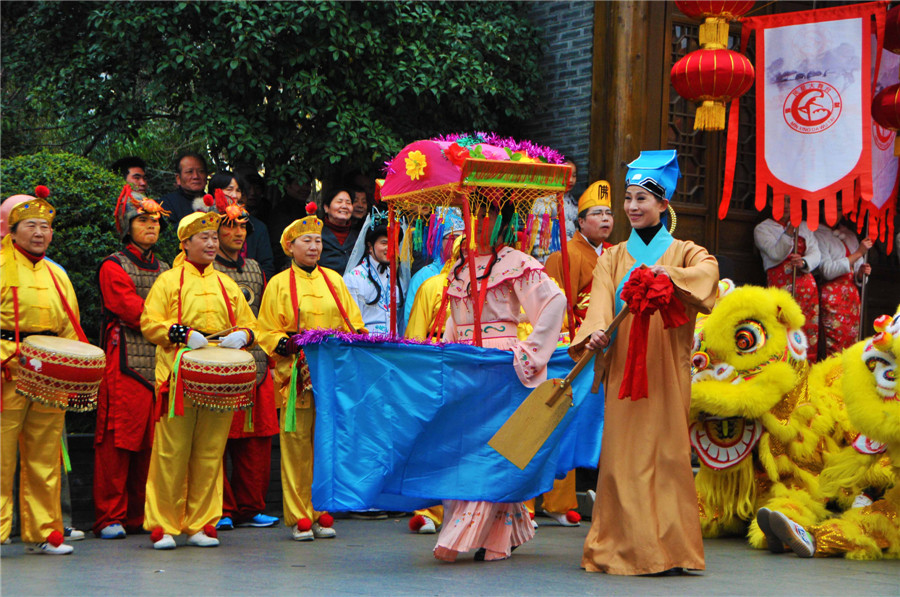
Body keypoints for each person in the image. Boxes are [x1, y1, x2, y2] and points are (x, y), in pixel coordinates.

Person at [570, 150, 718, 575]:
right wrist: (594, 331)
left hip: (667, 368)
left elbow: (707, 278)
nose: (632, 207)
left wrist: (665, 276)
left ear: (663, 205)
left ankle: (669, 550)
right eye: (629, 199)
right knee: (623, 458)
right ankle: (620, 548)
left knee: (668, 457)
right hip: (624, 371)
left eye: (642, 199)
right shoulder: (613, 258)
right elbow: (600, 303)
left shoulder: (687, 252)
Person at [434, 199, 567, 562]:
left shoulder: (516, 262)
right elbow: (453, 320)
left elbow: (555, 301)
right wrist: (446, 355)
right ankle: (496, 533)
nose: (479, 221)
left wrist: (531, 353)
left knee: (494, 449)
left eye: (488, 215)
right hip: (464, 362)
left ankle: (481, 536)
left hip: (499, 363)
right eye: (474, 214)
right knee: (463, 447)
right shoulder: (459, 266)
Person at [140, 211, 258, 550]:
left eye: (213, 237)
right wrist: (178, 333)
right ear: (185, 243)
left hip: (219, 375)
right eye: (203, 238)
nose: (211, 243)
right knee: (170, 452)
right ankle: (163, 524)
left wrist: (244, 335)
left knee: (210, 451)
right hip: (178, 375)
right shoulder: (168, 280)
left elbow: (251, 324)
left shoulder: (227, 283)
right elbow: (150, 323)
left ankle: (202, 523)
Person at [257, 202, 365, 542]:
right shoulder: (277, 284)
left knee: (326, 446)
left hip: (330, 379)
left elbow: (354, 323)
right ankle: (298, 515)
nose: (314, 246)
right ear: (290, 247)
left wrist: (356, 340)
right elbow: (266, 331)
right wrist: (287, 344)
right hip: (295, 381)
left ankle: (322, 510)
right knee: (296, 447)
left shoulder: (334, 280)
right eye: (306, 241)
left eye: (317, 240)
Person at [0, 187, 82, 555]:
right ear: (12, 230)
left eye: (45, 227)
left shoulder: (58, 274)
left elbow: (69, 329)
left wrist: (71, 369)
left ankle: (46, 531)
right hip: (7, 370)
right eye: (31, 225)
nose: (39, 233)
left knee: (45, 454)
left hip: (48, 374)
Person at [533, 180, 615, 529]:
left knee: (591, 422)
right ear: (580, 222)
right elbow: (551, 306)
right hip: (573, 350)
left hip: (603, 348)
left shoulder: (613, 254)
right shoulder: (563, 255)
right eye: (597, 213)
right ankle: (552, 498)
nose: (605, 218)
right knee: (560, 420)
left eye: (609, 212)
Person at [93, 186, 171, 540]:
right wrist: (170, 326)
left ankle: (140, 514)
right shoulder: (113, 265)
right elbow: (128, 307)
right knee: (118, 439)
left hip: (163, 359)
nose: (151, 226)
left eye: (154, 220)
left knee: (153, 442)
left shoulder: (168, 268)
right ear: (127, 227)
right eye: (142, 219)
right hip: (125, 357)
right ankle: (109, 515)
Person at [210, 192, 279, 531]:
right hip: (218, 360)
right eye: (230, 227)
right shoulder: (205, 271)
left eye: (242, 228)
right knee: (217, 437)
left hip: (255, 357)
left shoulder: (255, 269)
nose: (238, 234)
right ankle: (220, 507)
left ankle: (251, 507)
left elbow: (265, 314)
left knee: (257, 438)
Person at [753, 203, 821, 361]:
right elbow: (776, 253)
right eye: (781, 201)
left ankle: (806, 372)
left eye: (790, 202)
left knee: (808, 330)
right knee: (783, 328)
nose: (786, 206)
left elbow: (816, 253)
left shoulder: (804, 227)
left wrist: (804, 262)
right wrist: (790, 230)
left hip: (806, 287)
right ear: (771, 201)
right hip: (781, 286)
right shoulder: (763, 229)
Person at [814, 221, 872, 357]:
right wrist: (858, 253)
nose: (835, 213)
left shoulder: (849, 235)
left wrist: (861, 273)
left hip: (851, 298)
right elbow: (827, 271)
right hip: (832, 295)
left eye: (839, 209)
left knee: (851, 343)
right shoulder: (818, 233)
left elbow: (858, 267)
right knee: (833, 344)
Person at [207, 172, 275, 279]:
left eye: (238, 191)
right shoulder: (202, 222)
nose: (234, 195)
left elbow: (267, 265)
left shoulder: (254, 225)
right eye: (229, 189)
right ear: (215, 191)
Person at [344, 223, 403, 334]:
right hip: (366, 346)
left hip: (393, 346)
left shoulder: (396, 277)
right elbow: (350, 323)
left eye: (394, 243)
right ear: (370, 247)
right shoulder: (353, 278)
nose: (390, 248)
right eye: (384, 243)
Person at [530, 160, 579, 263]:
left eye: (574, 175)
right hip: (549, 257)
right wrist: (539, 259)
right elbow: (537, 232)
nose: (571, 180)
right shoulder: (544, 200)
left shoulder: (573, 201)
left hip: (570, 256)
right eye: (567, 175)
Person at [158, 152, 209, 225]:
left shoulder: (213, 202)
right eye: (189, 172)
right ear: (178, 178)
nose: (196, 176)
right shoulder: (166, 203)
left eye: (201, 171)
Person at [319, 187, 360, 274]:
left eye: (348, 203)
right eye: (339, 201)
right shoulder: (316, 234)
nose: (344, 206)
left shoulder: (359, 236)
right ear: (326, 207)